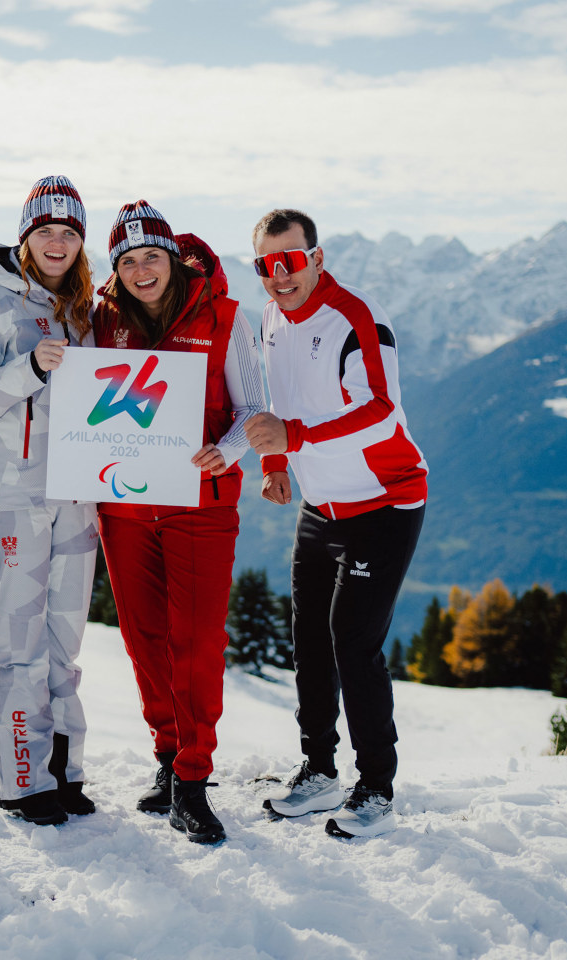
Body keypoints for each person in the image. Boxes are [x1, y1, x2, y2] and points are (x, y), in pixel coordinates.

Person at [244, 208, 428, 839]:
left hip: (385, 500)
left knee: (354, 642)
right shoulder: (272, 316)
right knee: (311, 641)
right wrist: (276, 461)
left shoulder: (356, 319)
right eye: (265, 266)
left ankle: (376, 787)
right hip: (321, 504)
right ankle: (319, 771)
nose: (278, 276)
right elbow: (279, 397)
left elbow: (381, 411)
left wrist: (293, 436)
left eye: (289, 261)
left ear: (316, 258)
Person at [91, 200, 266, 844]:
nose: (141, 270)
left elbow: (254, 408)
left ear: (173, 257)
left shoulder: (223, 317)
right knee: (144, 640)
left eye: (151, 257)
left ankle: (194, 781)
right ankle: (167, 761)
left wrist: (230, 448)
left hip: (202, 502)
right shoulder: (102, 317)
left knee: (195, 643)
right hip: (125, 506)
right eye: (128, 261)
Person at [0, 176, 99, 827]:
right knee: (19, 644)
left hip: (76, 498)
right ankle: (22, 779)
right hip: (9, 497)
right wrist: (29, 368)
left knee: (63, 643)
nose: (57, 242)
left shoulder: (83, 309)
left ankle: (64, 771)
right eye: (46, 231)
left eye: (69, 232)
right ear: (26, 236)